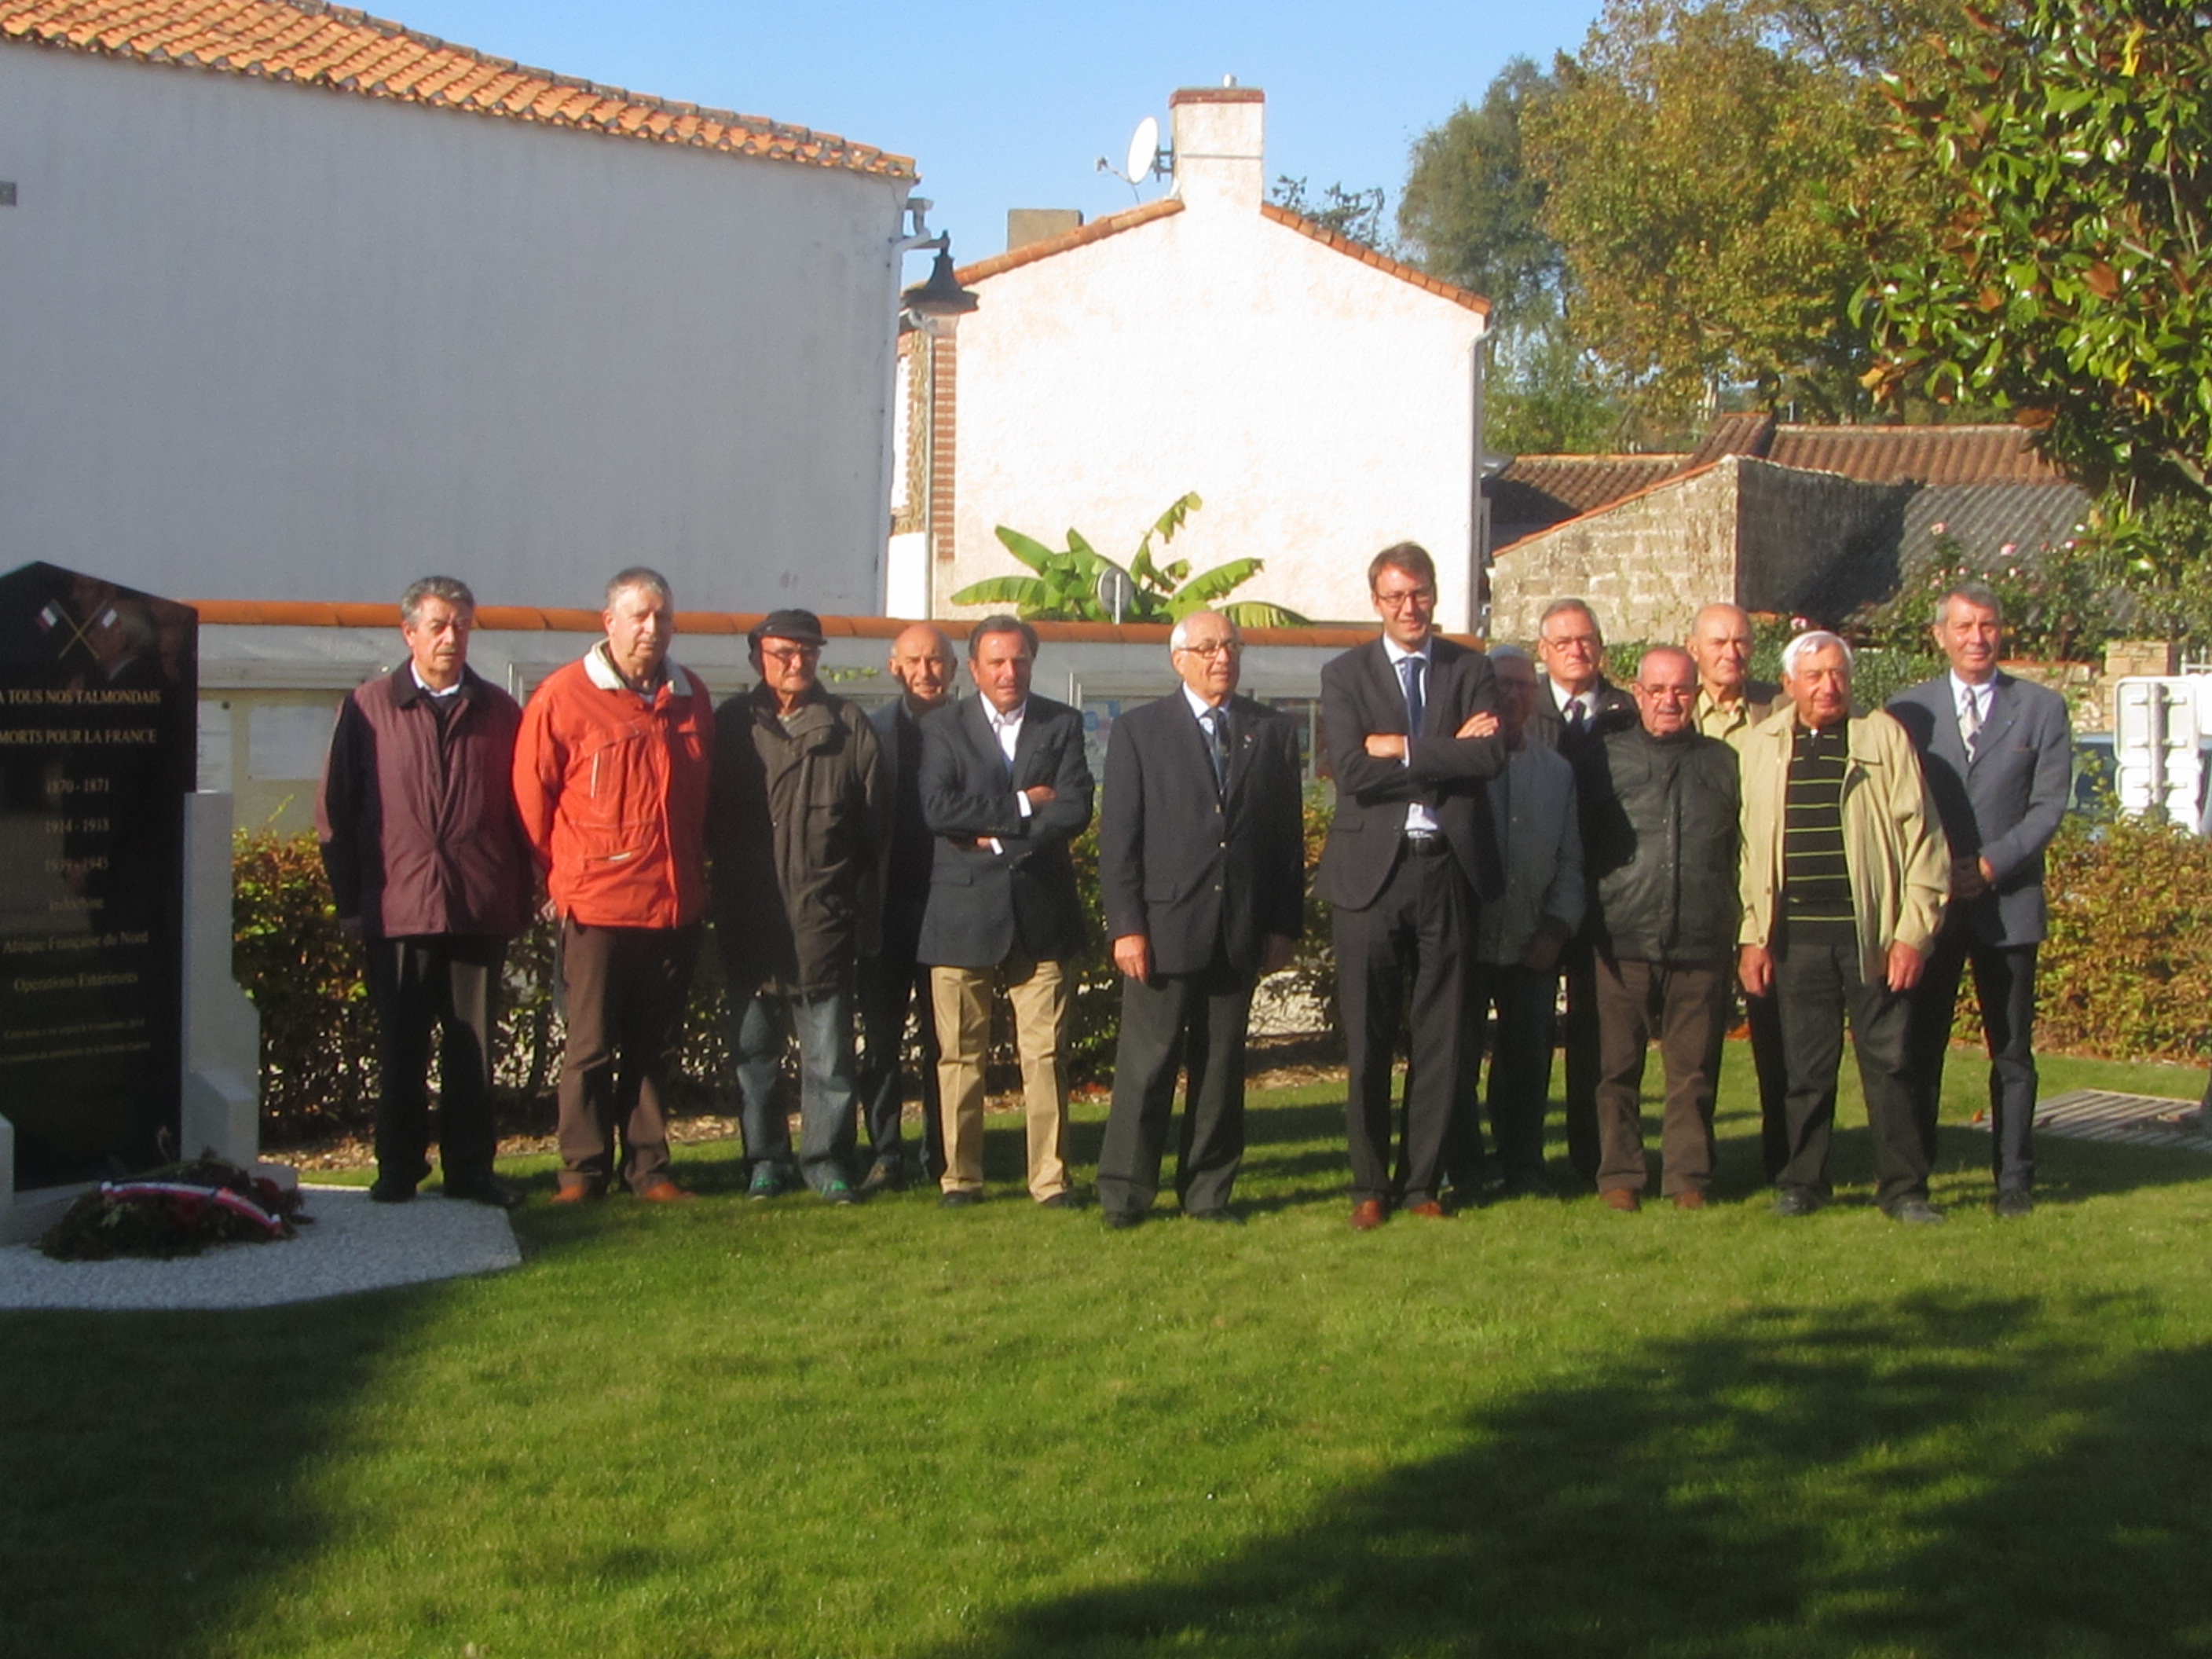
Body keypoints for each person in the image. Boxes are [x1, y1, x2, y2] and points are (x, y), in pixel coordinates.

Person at [317, 576, 533, 1208]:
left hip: (477, 906)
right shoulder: (368, 708)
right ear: (408, 632)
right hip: (398, 909)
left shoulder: (500, 710)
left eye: (461, 625)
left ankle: (470, 1170)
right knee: (401, 1048)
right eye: (438, 625)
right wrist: (350, 902)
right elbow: (336, 811)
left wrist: (522, 895)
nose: (450, 637)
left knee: (474, 1051)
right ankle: (398, 1168)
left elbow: (524, 812)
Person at [1315, 543, 1505, 1229]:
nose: (1410, 607)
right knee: (1368, 1040)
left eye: (1419, 593)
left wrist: (1401, 747)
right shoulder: (1345, 674)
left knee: (1443, 1037)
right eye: (1396, 596)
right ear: (1376, 602)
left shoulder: (1470, 668)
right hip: (1372, 873)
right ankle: (1369, 1183)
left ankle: (1423, 1181)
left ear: (1434, 593)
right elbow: (1351, 772)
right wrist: (1446, 752)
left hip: (1448, 868)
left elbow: (1489, 756)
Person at [1095, 610, 1305, 1229]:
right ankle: (1126, 1193)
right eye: (1209, 647)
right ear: (1179, 659)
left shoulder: (1270, 731)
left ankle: (1209, 1192)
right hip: (1162, 928)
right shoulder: (1140, 731)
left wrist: (1282, 925)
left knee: (1220, 1068)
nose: (1223, 657)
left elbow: (1286, 839)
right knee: (1148, 1065)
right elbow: (1120, 839)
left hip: (1238, 925)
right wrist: (1126, 925)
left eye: (1231, 645)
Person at [512, 567, 714, 1205]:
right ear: (610, 622)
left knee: (653, 1047)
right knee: (591, 1046)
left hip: (672, 906)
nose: (652, 628)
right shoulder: (563, 697)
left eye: (663, 617)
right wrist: (564, 876)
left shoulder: (691, 697)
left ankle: (650, 1170)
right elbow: (532, 802)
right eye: (639, 616)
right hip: (597, 906)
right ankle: (582, 1172)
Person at [1738, 631, 1949, 1222]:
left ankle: (1904, 1190)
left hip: (1872, 937)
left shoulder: (1882, 737)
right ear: (1789, 685)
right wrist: (1753, 934)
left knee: (1891, 1066)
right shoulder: (1760, 746)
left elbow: (1924, 841)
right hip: (1796, 939)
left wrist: (1913, 934)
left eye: (1838, 675)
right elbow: (1749, 852)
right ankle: (1803, 1182)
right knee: (1804, 1072)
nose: (1829, 686)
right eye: (1815, 676)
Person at [1888, 582, 2072, 1218]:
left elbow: (2049, 804)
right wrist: (1939, 872)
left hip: (2008, 904)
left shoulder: (2042, 708)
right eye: (1964, 627)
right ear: (1940, 635)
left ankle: (2014, 1178)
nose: (1977, 638)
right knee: (1921, 1048)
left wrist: (1994, 863)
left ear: (2002, 631)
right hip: (1933, 909)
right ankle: (1915, 1179)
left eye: (1987, 625)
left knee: (2012, 1053)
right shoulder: (1908, 710)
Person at [708, 609, 888, 1206]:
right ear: (757, 656)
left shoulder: (847, 726)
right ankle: (765, 1161)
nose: (797, 663)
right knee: (754, 1055)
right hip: (748, 920)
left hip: (822, 920)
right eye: (784, 652)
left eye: (808, 652)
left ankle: (827, 1161)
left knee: (829, 1059)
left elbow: (874, 833)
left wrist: (857, 910)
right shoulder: (731, 725)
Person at [916, 616, 1095, 1209]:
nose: (1008, 672)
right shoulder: (942, 727)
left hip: (1041, 911)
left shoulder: (1061, 723)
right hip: (961, 910)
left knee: (1045, 1056)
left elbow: (1074, 809)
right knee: (959, 1055)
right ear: (973, 669)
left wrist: (997, 838)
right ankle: (961, 1178)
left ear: (1032, 664)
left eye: (1019, 660)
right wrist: (1022, 804)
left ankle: (1050, 1179)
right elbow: (939, 809)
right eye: (996, 661)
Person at [1577, 647, 1741, 1212]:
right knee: (1615, 1070)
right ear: (1638, 694)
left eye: (1681, 691)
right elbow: (1580, 843)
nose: (1669, 701)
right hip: (1621, 935)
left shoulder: (1723, 762)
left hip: (1700, 935)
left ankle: (1688, 1177)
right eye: (1658, 690)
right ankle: (1620, 1175)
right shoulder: (1603, 759)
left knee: (1692, 1071)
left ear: (1696, 695)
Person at [1457, 645, 1583, 1200]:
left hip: (1532, 939)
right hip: (1466, 940)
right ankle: (1462, 1165)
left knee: (1528, 1060)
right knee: (1456, 1059)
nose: (1512, 695)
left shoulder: (1556, 772)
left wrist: (1556, 929)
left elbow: (1571, 859)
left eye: (1522, 686)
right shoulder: (1459, 761)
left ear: (1535, 696)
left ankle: (1524, 1163)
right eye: (1501, 684)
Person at [1526, 598, 1638, 1183]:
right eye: (1564, 642)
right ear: (1543, 651)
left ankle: (1592, 1156)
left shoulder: (1628, 711)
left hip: (1609, 896)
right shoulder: (1524, 711)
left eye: (1586, 639)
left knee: (1598, 1036)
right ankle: (1521, 1158)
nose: (1577, 650)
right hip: (1537, 894)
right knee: (1529, 1032)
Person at [1686, 601, 1790, 1181]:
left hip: (1765, 894)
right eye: (1719, 642)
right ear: (1693, 649)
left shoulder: (1781, 708)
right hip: (1697, 893)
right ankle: (1694, 1160)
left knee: (1777, 1036)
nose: (1732, 653)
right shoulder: (1671, 706)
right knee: (1695, 1041)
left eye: (1742, 642)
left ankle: (1786, 1158)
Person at [855, 624, 958, 1193]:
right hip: (885, 910)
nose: (926, 672)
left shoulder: (971, 731)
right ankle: (885, 1152)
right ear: (894, 666)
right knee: (882, 1042)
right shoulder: (871, 732)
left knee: (947, 1044)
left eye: (936, 660)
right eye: (914, 661)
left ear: (954, 668)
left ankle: (944, 1154)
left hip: (950, 909)